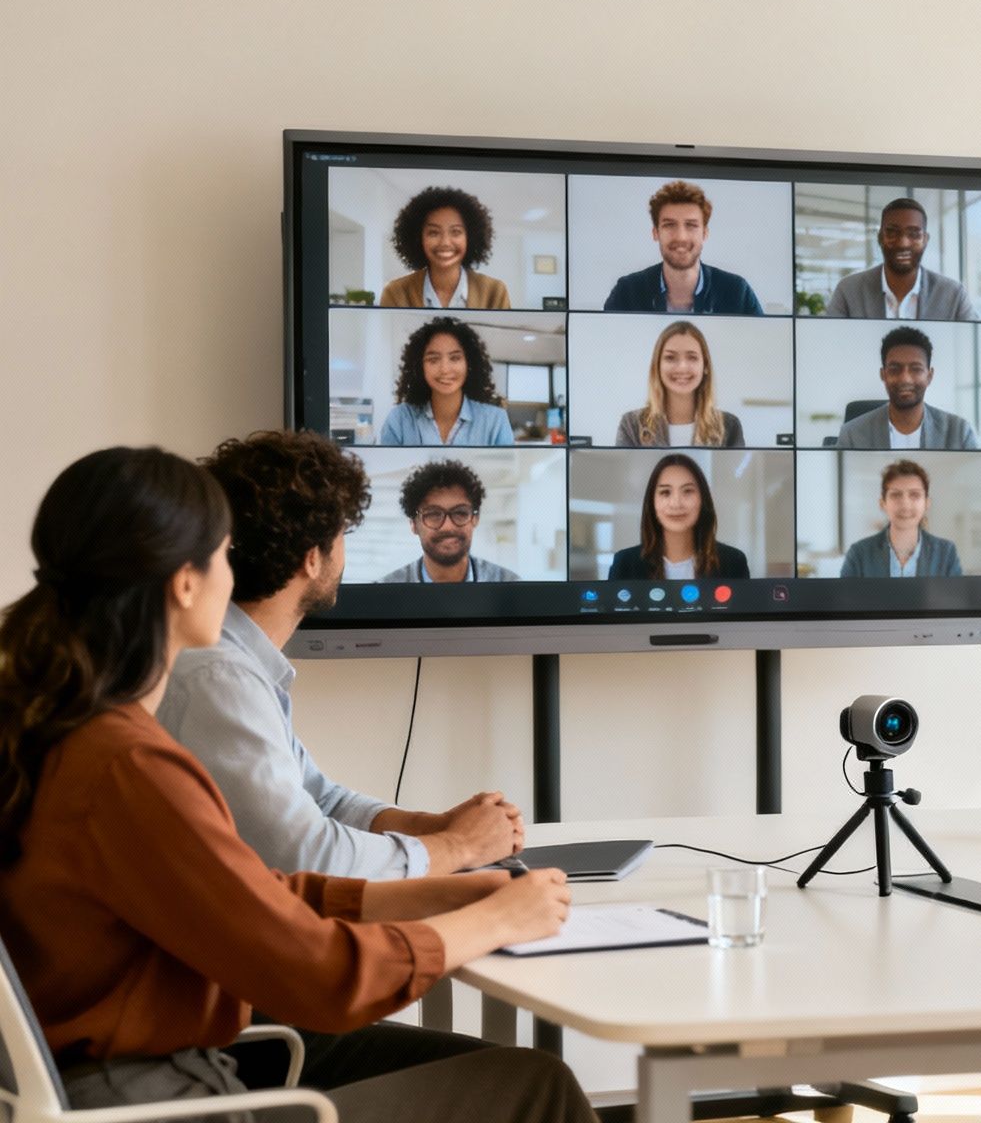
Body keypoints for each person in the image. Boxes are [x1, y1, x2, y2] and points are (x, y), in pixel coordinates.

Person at [0, 446, 593, 1121]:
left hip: (124, 1076)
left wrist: (433, 894)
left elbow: (243, 894)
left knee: (506, 1072)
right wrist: (491, 921)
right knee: (536, 1086)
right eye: (224, 555)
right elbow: (322, 976)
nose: (235, 576)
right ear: (186, 583)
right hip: (160, 1098)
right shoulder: (128, 765)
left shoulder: (58, 726)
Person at [159, 430, 524, 880]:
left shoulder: (240, 665)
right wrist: (459, 846)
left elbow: (323, 799)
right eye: (343, 534)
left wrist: (439, 825)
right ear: (313, 559)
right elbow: (309, 857)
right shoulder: (219, 678)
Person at [602, 180, 764, 315]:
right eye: (669, 225)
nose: (681, 237)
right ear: (655, 233)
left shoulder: (737, 293)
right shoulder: (626, 292)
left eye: (691, 225)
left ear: (705, 233)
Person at [824, 197, 978, 320]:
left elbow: (974, 345)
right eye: (892, 232)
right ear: (880, 238)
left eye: (914, 234)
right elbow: (829, 343)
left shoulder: (953, 295)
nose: (903, 243)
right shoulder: (848, 291)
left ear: (925, 240)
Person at [606, 453, 751, 580]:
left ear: (703, 500)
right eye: (665, 492)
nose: (676, 504)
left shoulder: (733, 561)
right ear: (652, 502)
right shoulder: (625, 563)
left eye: (687, 491)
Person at [376, 316, 515, 446]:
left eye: (455, 358)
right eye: (433, 359)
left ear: (469, 364)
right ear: (419, 366)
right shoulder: (399, 420)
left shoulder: (496, 421)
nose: (444, 369)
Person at [834, 326, 978, 450]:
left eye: (916, 369)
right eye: (895, 369)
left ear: (929, 376)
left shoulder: (959, 432)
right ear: (883, 375)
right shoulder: (852, 434)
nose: (905, 379)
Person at [378, 459, 520, 583]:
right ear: (413, 524)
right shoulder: (384, 593)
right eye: (433, 514)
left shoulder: (510, 585)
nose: (448, 526)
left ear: (475, 518)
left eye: (460, 513)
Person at [613, 320, 747, 447]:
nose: (682, 367)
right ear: (657, 366)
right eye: (670, 358)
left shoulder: (730, 427)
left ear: (705, 366)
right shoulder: (631, 425)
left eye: (692, 357)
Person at [377, 186, 512, 309]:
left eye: (456, 232)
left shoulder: (495, 292)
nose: (445, 242)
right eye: (434, 233)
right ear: (418, 237)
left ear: (470, 237)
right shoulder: (395, 292)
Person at [839, 459, 964, 577]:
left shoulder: (946, 553)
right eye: (896, 495)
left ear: (927, 503)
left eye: (914, 495)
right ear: (883, 503)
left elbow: (956, 593)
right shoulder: (859, 554)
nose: (905, 505)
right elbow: (845, 593)